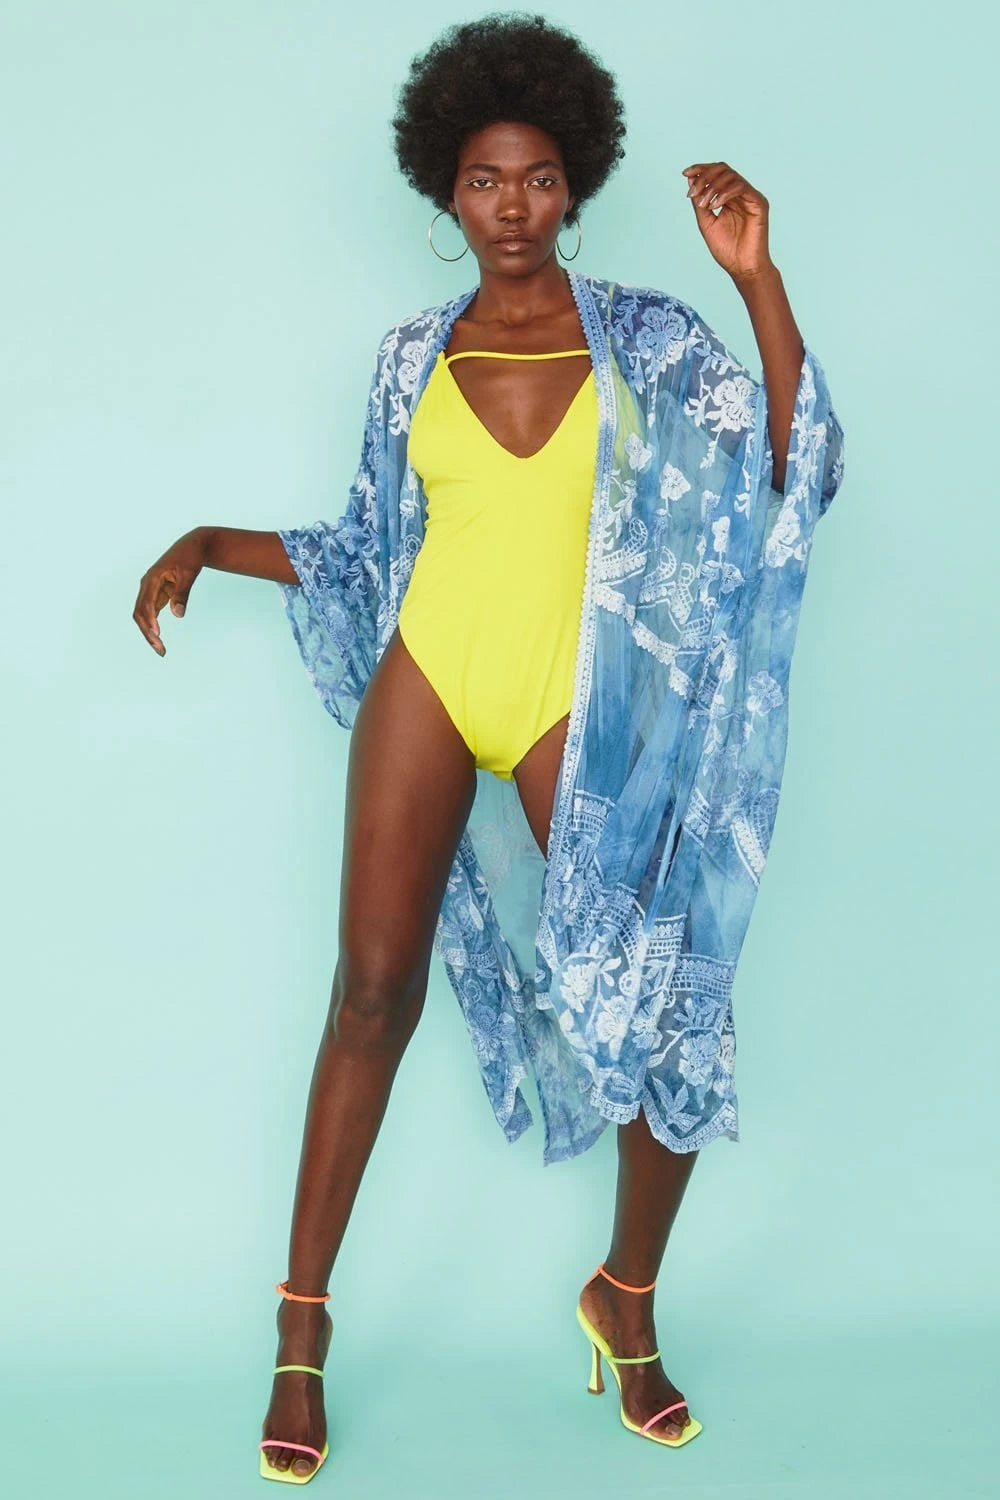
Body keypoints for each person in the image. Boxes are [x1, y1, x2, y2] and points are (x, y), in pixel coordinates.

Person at [133, 12, 843, 1483]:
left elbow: (791, 462)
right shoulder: (411, 357)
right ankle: (301, 1329)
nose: (510, 204)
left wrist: (757, 278)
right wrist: (209, 539)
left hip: (577, 695)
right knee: (370, 992)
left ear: (573, 186)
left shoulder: (650, 337)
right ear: (444, 194)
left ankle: (626, 1297)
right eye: (482, 179)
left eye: (535, 178)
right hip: (432, 676)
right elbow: (367, 545)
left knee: (663, 1002)